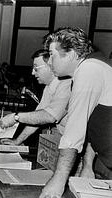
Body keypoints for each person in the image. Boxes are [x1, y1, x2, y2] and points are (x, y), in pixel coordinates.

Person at [39, 27, 112, 198]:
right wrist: (87, 166)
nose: (49, 62)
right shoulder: (91, 67)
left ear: (70, 54)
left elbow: (75, 131)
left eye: (52, 54)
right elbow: (91, 123)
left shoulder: (89, 69)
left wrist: (58, 181)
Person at [0, 49, 71, 145]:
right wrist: (17, 141)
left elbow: (50, 116)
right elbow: (37, 118)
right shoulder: (49, 86)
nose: (33, 72)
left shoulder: (66, 84)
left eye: (36, 68)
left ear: (50, 65)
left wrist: (16, 117)